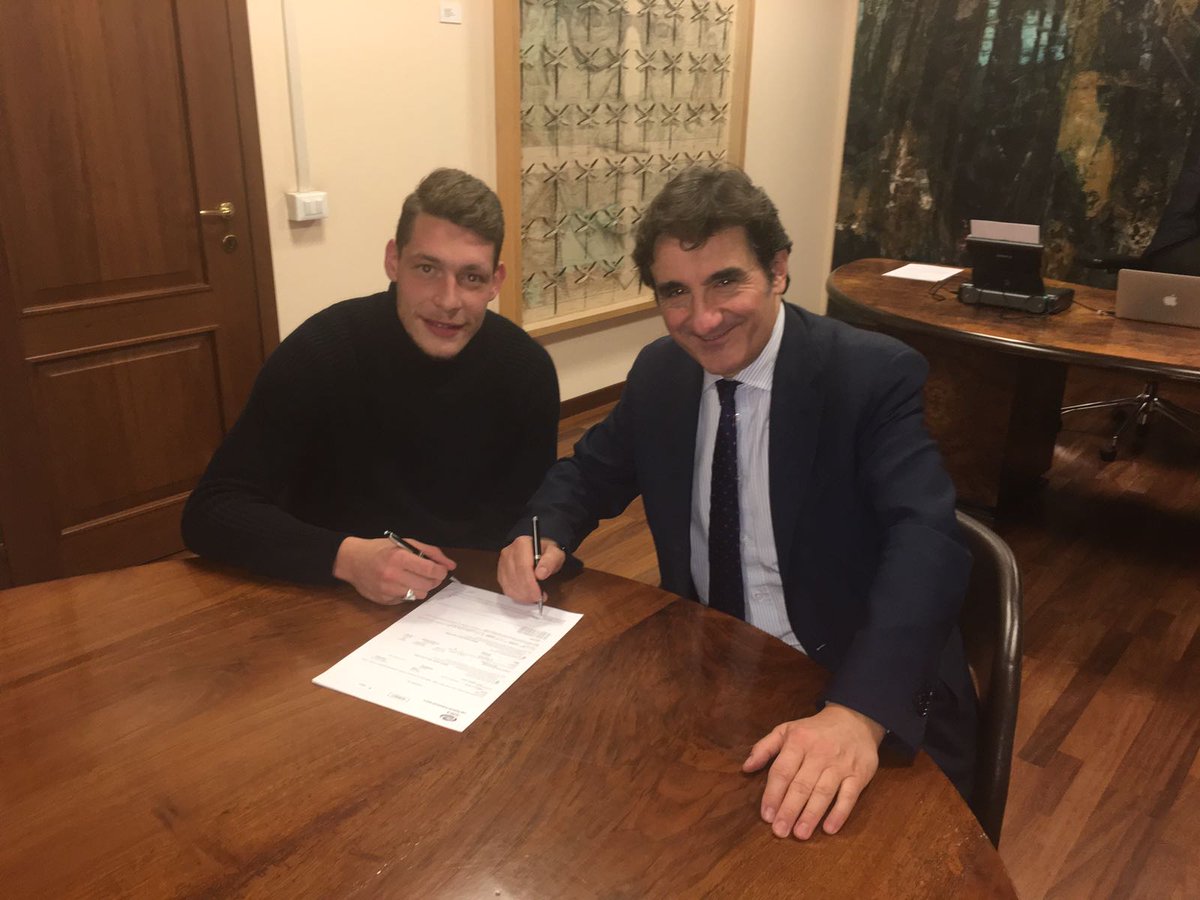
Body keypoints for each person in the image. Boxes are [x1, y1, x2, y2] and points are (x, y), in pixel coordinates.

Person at [497, 166, 976, 841]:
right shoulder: (661, 374)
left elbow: (927, 542)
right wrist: (539, 531)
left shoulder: (869, 375)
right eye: (676, 292)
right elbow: (587, 474)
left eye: (726, 281)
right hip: (706, 670)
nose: (702, 319)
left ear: (778, 270)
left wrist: (859, 712)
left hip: (845, 672)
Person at [184, 168, 559, 605]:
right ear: (393, 261)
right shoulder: (322, 352)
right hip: (328, 596)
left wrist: (534, 543)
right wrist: (343, 557)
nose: (448, 300)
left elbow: (527, 518)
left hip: (468, 604)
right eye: (427, 268)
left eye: (471, 277)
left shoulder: (525, 370)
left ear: (496, 281)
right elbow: (211, 510)